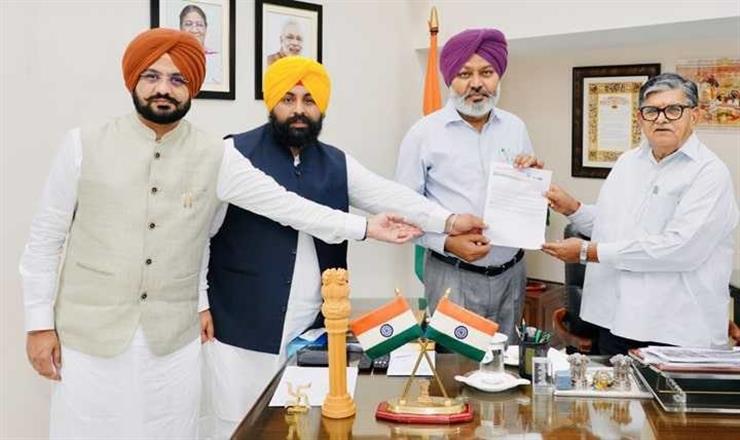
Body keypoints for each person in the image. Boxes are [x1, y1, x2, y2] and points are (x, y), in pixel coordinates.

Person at [19, 28, 425, 439]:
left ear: (192, 87)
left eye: (177, 79)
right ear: (133, 81)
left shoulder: (216, 154)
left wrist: (365, 226)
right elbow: (45, 241)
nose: (164, 89)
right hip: (88, 339)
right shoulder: (82, 145)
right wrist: (38, 325)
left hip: (172, 344)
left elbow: (285, 206)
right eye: (152, 76)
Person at [200, 56, 485, 437]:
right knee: (238, 426)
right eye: (288, 99)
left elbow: (388, 195)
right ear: (271, 102)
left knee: (304, 424)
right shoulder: (235, 153)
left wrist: (448, 220)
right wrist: (200, 302)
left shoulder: (335, 162)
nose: (299, 110)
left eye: (309, 100)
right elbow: (201, 236)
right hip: (240, 327)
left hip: (311, 328)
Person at [543, 73, 738, 354]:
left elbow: (680, 249)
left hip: (675, 330)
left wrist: (588, 252)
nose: (661, 119)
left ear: (694, 115)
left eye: (674, 110)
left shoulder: (709, 173)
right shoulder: (628, 162)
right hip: (617, 321)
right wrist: (573, 208)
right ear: (640, 118)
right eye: (652, 111)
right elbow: (613, 225)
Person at [395, 28, 542, 341]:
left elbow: (530, 194)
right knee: (455, 365)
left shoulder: (515, 127)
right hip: (452, 274)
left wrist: (534, 180)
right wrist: (447, 243)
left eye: (486, 72)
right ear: (450, 79)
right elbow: (402, 214)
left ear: (498, 76)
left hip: (512, 275)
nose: (476, 83)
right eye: (465, 74)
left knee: (507, 363)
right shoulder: (423, 134)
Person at [179, 4, 222, 85]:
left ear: (205, 28)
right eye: (188, 24)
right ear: (181, 28)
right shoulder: (172, 57)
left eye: (199, 25)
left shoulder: (218, 59)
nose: (194, 30)